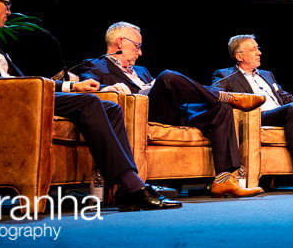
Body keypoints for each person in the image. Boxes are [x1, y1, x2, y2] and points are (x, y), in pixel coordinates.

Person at [0, 0, 181, 211]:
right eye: (6, 4)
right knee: (91, 104)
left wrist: (73, 87)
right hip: (1, 101)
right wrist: (16, 88)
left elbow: (25, 80)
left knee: (110, 107)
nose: (8, 11)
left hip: (25, 96)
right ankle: (133, 186)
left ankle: (126, 186)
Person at [75, 21, 266, 198]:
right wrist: (108, 89)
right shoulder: (95, 65)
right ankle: (227, 96)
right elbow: (87, 87)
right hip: (142, 113)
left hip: (170, 110)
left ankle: (224, 179)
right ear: (120, 43)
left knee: (221, 109)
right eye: (137, 46)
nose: (140, 53)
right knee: (167, 76)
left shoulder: (140, 71)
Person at [212, 34, 293, 192]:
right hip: (260, 117)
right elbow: (215, 94)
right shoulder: (225, 75)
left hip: (287, 114)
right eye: (253, 49)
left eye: (258, 48)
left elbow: (286, 98)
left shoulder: (267, 75)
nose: (259, 52)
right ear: (239, 56)